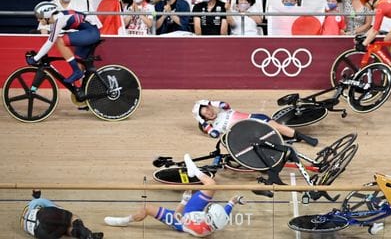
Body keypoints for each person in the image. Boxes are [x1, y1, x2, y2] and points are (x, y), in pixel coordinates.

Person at [105, 159, 244, 237]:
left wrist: (184, 200)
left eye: (209, 208)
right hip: (196, 213)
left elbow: (178, 215)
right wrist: (236, 199)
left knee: (147, 209)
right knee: (212, 185)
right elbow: (228, 208)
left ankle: (124, 221)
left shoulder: (197, 227)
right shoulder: (220, 219)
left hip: (181, 219)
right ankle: (194, 171)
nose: (210, 205)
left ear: (208, 216)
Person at [28, 1, 101, 83]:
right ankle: (81, 92)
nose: (38, 20)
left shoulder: (59, 20)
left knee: (60, 41)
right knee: (80, 65)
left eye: (40, 17)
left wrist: (35, 58)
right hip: (88, 32)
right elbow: (50, 39)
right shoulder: (56, 19)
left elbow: (50, 42)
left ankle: (76, 71)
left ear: (47, 16)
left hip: (91, 32)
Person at [192, 100, 318, 145]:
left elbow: (224, 104)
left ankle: (305, 138)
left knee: (277, 127)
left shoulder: (223, 111)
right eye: (206, 114)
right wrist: (200, 121)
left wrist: (208, 102)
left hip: (255, 119)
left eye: (208, 109)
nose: (209, 112)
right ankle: (292, 137)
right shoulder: (215, 127)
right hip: (249, 132)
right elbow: (214, 135)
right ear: (205, 119)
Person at [21, 190, 103, 239]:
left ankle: (83, 235)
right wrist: (69, 217)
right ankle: (89, 235)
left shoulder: (29, 208)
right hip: (43, 216)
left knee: (65, 229)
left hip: (40, 234)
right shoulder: (40, 201)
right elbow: (59, 209)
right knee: (72, 217)